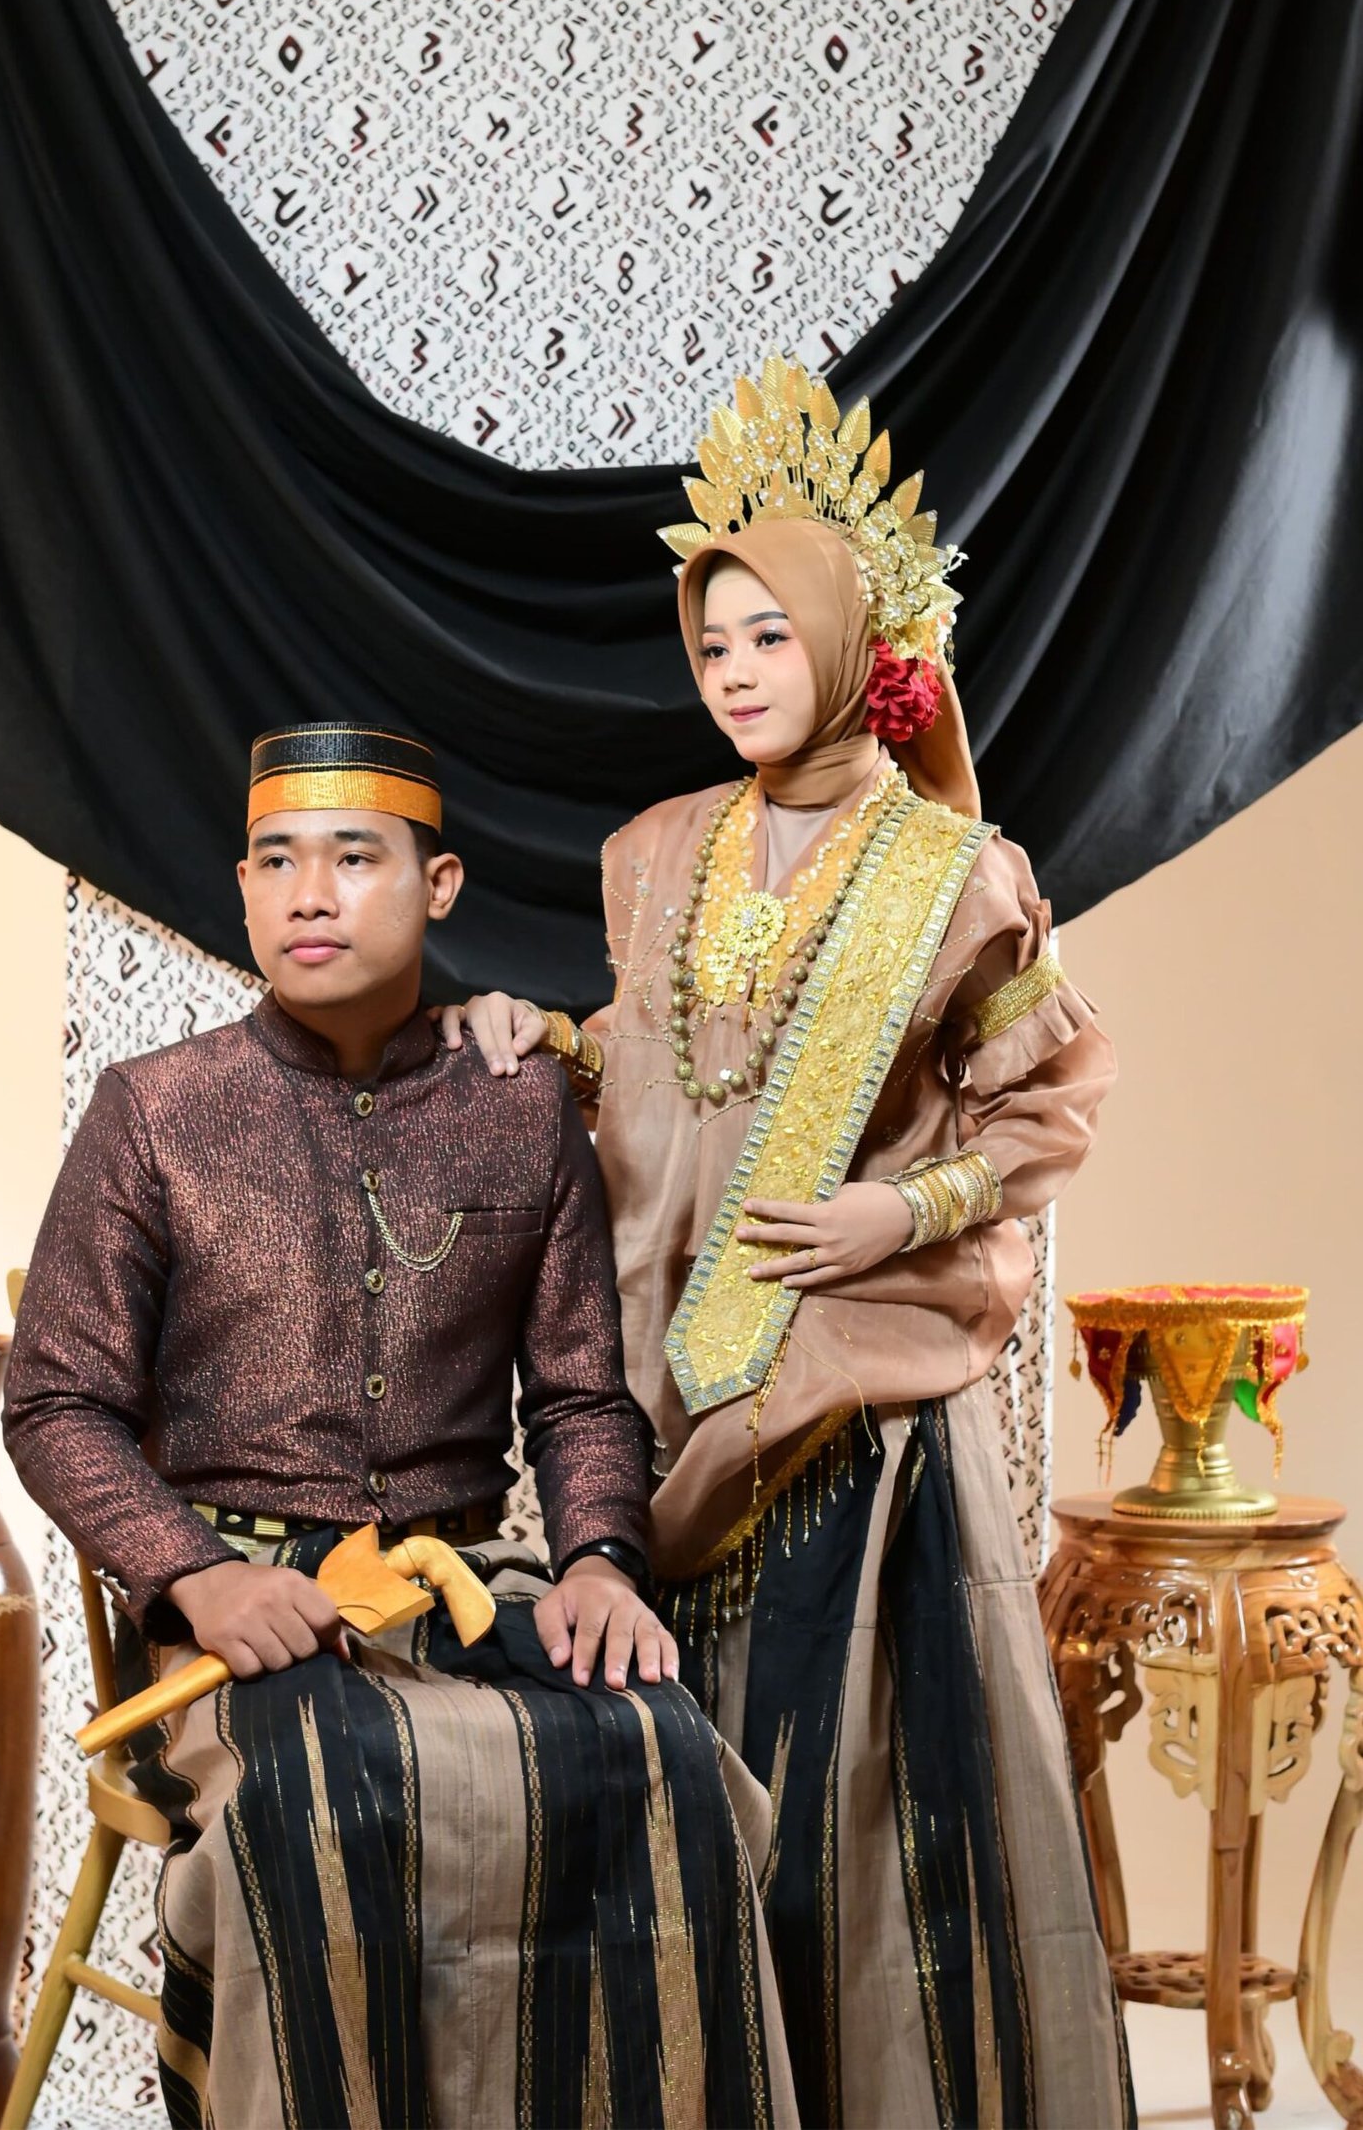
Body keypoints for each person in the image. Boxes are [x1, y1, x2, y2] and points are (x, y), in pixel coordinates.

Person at [439, 360, 1135, 2129]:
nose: (738, 671)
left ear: (848, 642)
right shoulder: (664, 850)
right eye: (713, 643)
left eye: (769, 636)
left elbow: (1049, 1102)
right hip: (671, 1390)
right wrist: (545, 1036)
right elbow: (663, 1068)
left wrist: (905, 1207)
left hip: (863, 1414)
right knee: (683, 1803)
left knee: (867, 1820)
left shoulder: (956, 873)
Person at [4, 721, 796, 2130]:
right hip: (239, 1614)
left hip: (464, 1587)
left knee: (667, 1757)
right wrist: (199, 1576)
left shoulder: (520, 1105)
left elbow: (579, 1394)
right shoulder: (155, 1113)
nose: (308, 895)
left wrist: (601, 1561)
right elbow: (56, 1400)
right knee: (324, 1798)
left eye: (354, 858)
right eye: (276, 861)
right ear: (242, 889)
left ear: (438, 886)